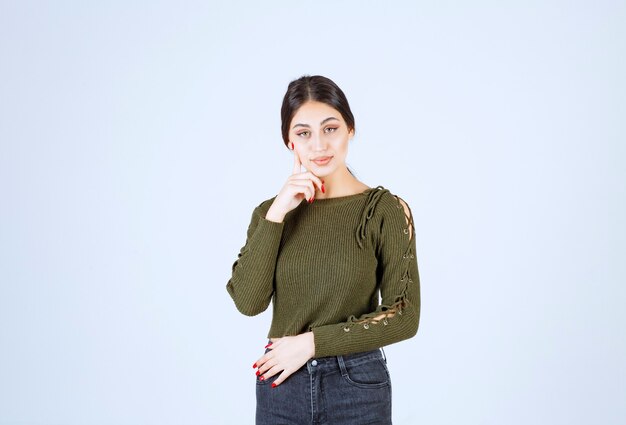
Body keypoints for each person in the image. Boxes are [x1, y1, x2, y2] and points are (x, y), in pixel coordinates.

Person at [226, 74, 421, 425]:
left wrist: (313, 343)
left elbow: (403, 316)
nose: (319, 145)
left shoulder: (384, 210)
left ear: (350, 129)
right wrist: (278, 213)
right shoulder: (270, 213)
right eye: (304, 133)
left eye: (330, 129)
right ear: (290, 143)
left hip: (356, 383)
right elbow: (249, 302)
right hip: (282, 385)